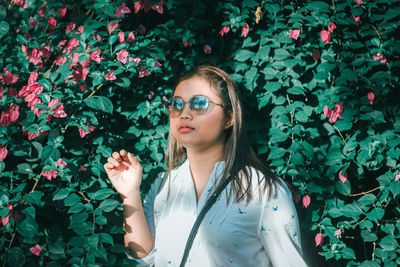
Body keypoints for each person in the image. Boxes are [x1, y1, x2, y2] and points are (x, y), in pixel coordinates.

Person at [104, 65, 308, 266]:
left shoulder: (263, 190)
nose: (184, 113)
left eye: (199, 104)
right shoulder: (163, 184)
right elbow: (144, 257)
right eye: (177, 104)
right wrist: (130, 194)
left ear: (229, 118)